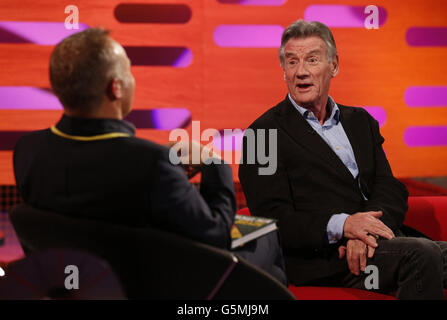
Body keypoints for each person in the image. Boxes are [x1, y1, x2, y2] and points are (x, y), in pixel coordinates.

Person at [13, 28, 286, 285]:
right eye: (129, 71)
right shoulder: (151, 163)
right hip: (157, 283)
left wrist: (168, 170)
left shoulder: (27, 151)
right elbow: (216, 237)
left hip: (86, 283)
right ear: (116, 88)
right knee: (268, 238)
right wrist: (214, 164)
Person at [238, 19, 447, 299]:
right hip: (323, 257)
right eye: (291, 62)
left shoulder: (361, 121)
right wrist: (344, 226)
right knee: (421, 256)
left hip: (379, 244)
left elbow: (389, 187)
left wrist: (366, 232)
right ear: (283, 71)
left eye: (312, 60)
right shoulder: (262, 134)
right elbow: (272, 219)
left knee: (425, 252)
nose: (301, 72)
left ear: (334, 65)